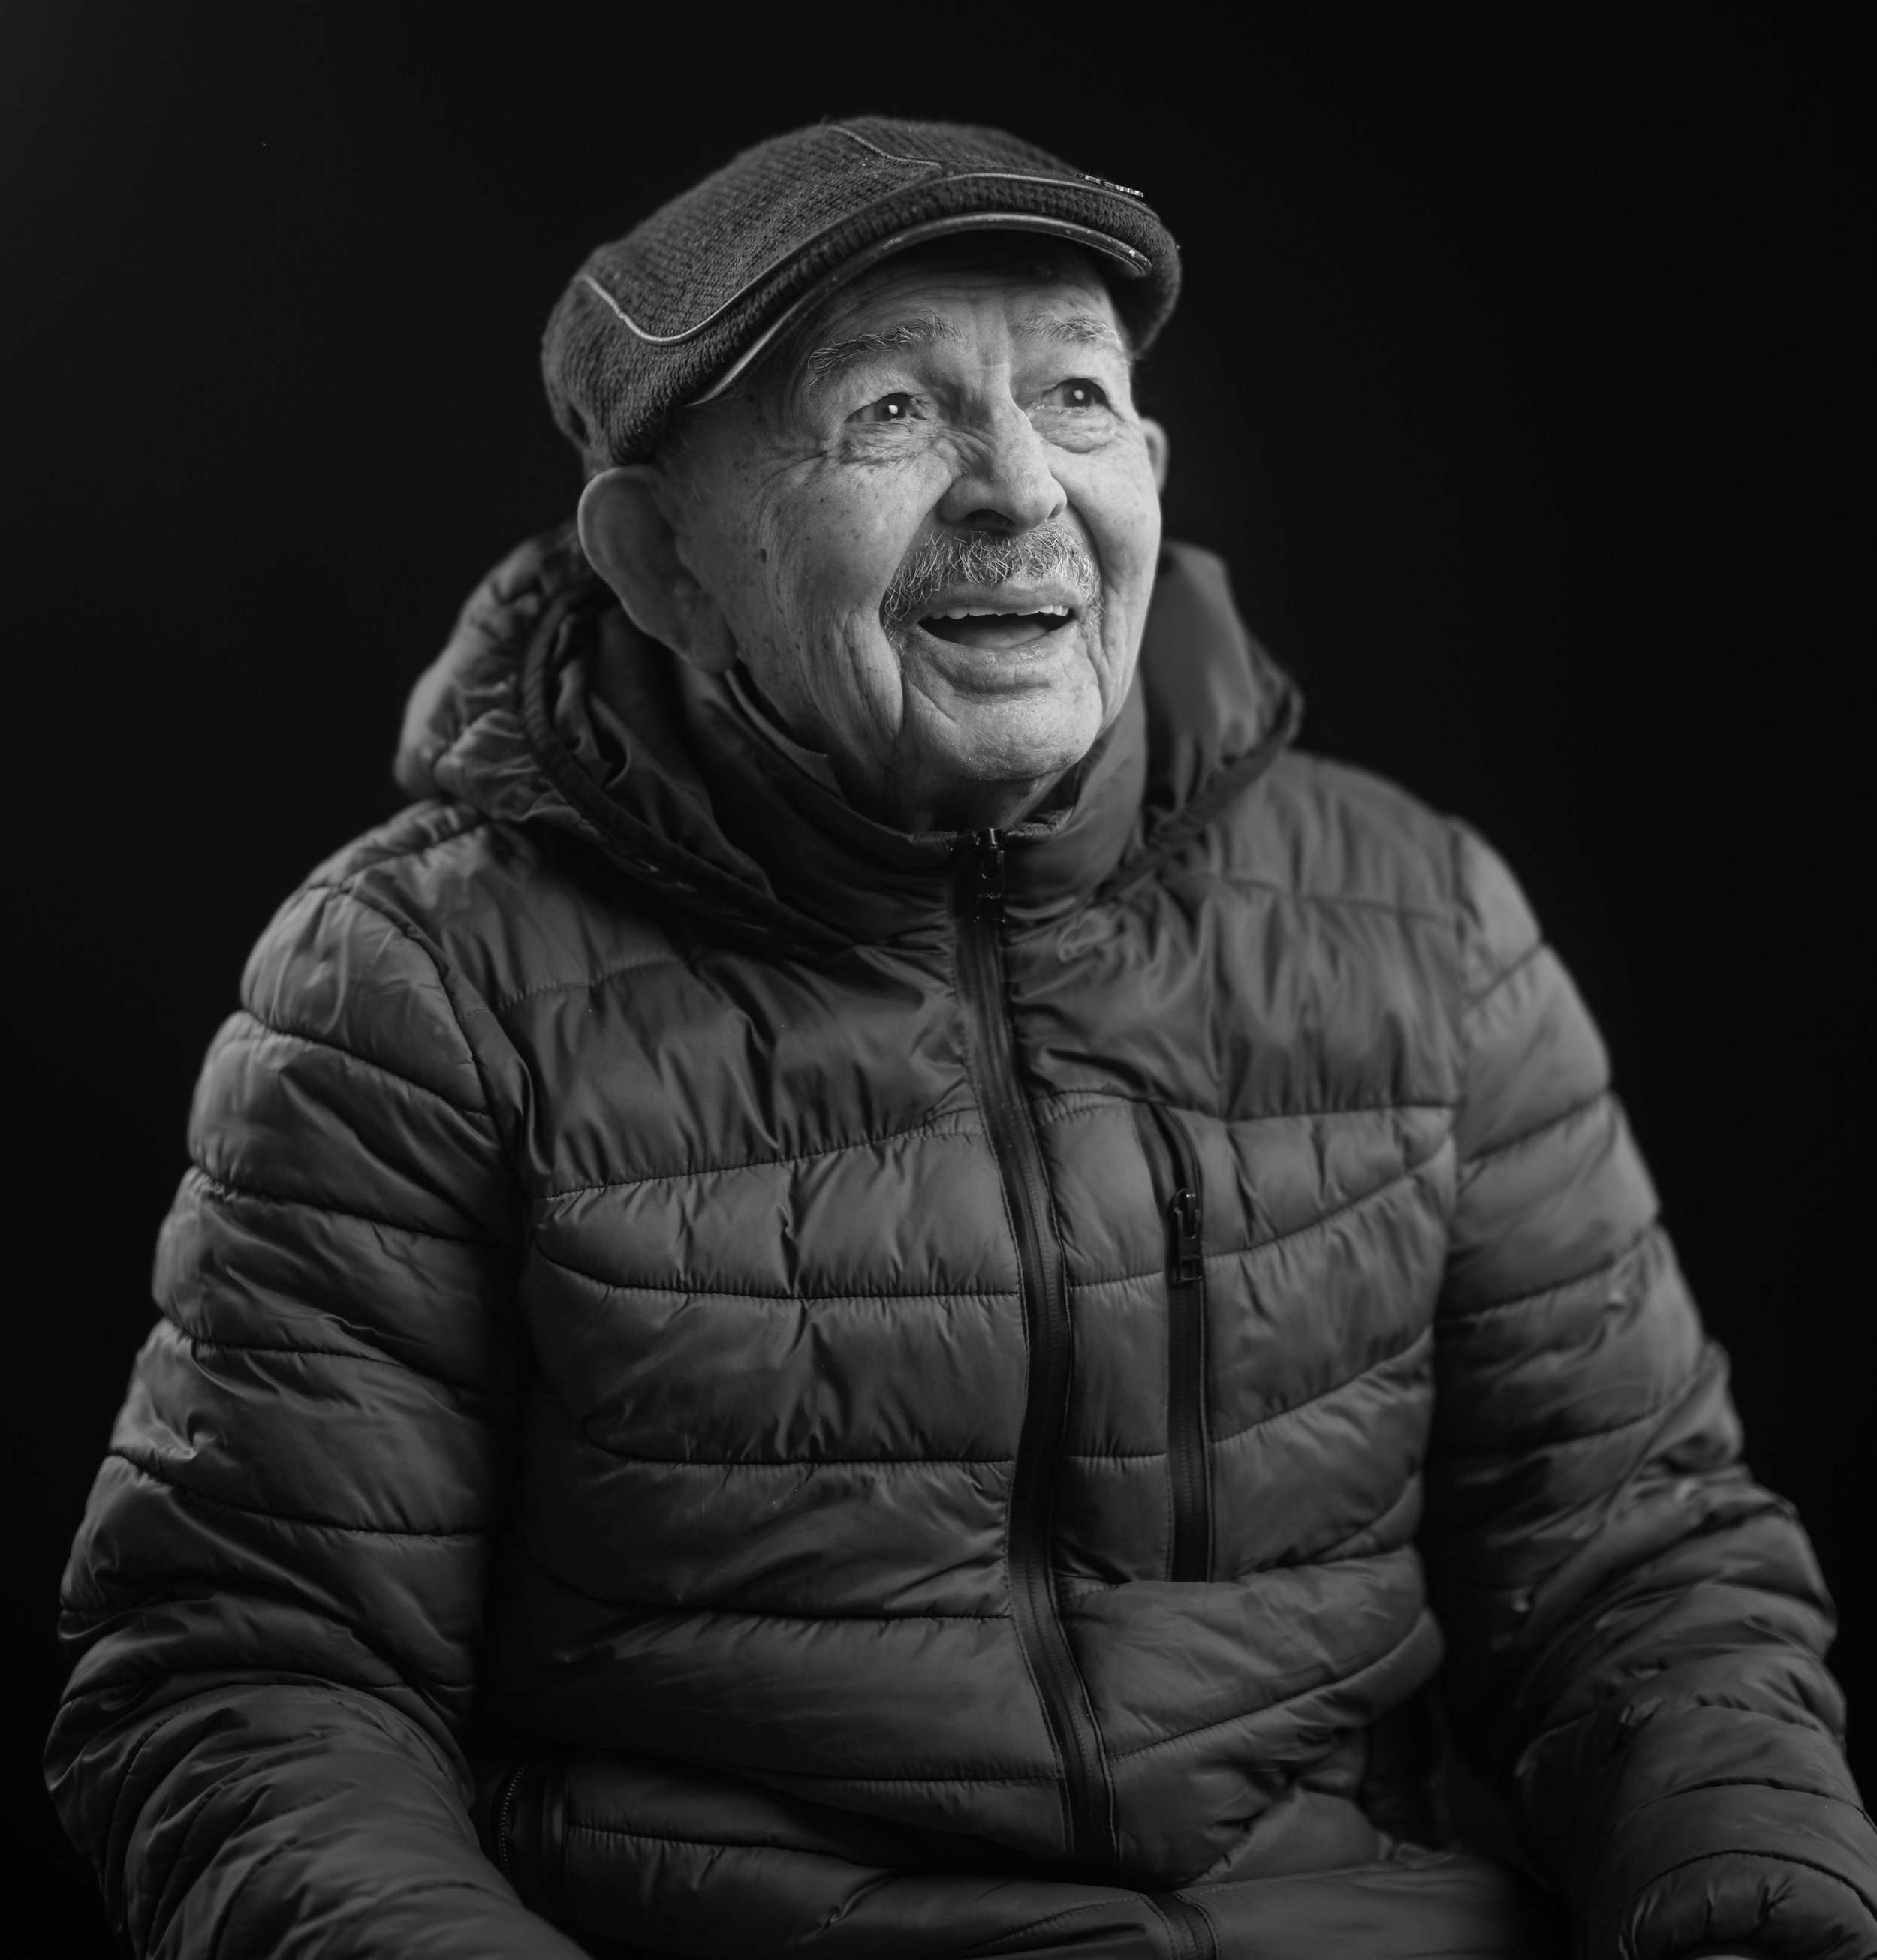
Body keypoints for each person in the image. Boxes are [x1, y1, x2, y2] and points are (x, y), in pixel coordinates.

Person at [47, 120, 1872, 1958]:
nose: (1015, 488)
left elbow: (1632, 1556)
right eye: (892, 414)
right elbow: (255, 1675)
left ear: (1148, 471)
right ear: (662, 562)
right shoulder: (416, 987)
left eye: (1073, 397)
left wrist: (1742, 1904)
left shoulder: (1419, 919)